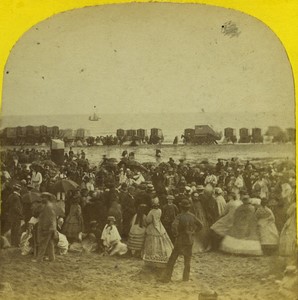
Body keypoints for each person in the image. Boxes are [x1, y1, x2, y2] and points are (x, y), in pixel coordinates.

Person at [161, 199, 202, 283]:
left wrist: (176, 234)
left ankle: (167, 278)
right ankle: (185, 278)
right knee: (187, 260)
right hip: (189, 240)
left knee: (172, 259)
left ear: (181, 207)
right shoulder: (192, 216)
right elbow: (201, 225)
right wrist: (193, 232)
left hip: (180, 239)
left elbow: (173, 226)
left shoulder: (179, 216)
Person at [143, 198, 173, 268]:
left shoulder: (151, 212)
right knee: (162, 239)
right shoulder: (160, 210)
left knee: (153, 241)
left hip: (152, 227)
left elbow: (148, 220)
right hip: (159, 225)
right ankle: (163, 254)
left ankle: (152, 256)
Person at [33, 193, 57, 263]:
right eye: (42, 197)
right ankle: (52, 258)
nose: (43, 198)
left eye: (44, 197)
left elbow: (49, 219)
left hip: (46, 227)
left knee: (43, 243)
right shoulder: (48, 206)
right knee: (50, 243)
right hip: (50, 227)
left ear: (47, 198)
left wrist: (46, 228)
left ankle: (39, 259)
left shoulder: (48, 207)